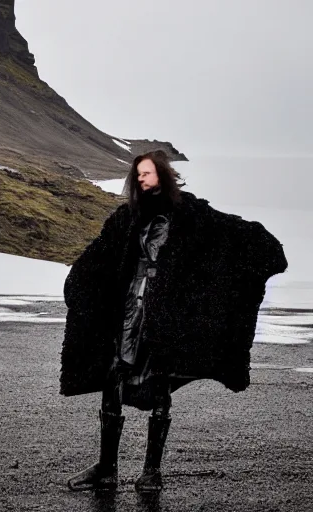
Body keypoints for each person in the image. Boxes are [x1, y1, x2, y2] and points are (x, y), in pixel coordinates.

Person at [61, 150, 287, 492]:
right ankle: (107, 468)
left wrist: (265, 252)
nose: (140, 178)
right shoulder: (127, 217)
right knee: (113, 377)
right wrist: (80, 283)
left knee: (161, 379)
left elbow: (233, 233)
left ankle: (151, 471)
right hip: (128, 309)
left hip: (166, 310)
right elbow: (102, 253)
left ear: (163, 175)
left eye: (147, 172)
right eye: (137, 174)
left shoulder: (190, 213)